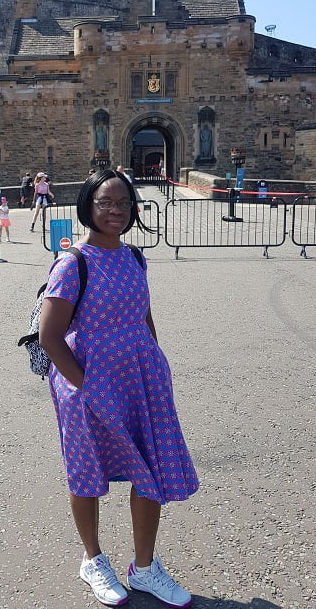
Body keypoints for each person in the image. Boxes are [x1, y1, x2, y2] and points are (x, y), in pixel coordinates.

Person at [39, 169, 198, 607]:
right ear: (87, 205)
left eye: (124, 203)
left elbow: (143, 316)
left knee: (150, 468)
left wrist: (156, 363)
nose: (115, 210)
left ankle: (144, 568)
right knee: (87, 471)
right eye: (105, 202)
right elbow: (51, 337)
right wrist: (87, 387)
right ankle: (93, 560)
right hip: (86, 382)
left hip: (140, 380)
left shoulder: (136, 258)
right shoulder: (73, 262)